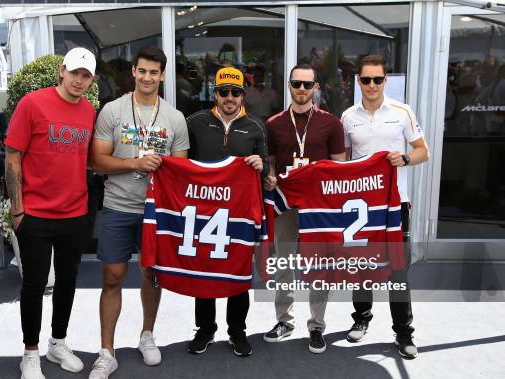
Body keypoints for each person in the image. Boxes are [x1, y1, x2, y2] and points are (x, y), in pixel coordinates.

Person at [89, 47, 189, 379]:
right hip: (118, 205)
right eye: (142, 71)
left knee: (151, 274)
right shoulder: (111, 111)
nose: (147, 77)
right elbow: (97, 162)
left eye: (154, 72)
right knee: (112, 277)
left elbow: (181, 170)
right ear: (133, 72)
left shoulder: (174, 118)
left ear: (162, 76)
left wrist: (164, 170)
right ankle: (107, 352)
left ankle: (147, 334)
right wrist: (135, 163)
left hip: (155, 211)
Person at [4, 47, 97, 379]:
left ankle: (57, 343)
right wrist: (17, 209)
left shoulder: (89, 111)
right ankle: (30, 353)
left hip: (75, 213)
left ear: (92, 81)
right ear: (62, 71)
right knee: (35, 284)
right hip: (36, 215)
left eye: (86, 76)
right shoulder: (33, 103)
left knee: (69, 282)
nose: (78, 80)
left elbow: (86, 159)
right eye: (74, 72)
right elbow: (13, 155)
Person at [341, 54, 430, 359]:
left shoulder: (402, 112)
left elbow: (423, 151)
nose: (371, 85)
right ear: (358, 81)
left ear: (385, 81)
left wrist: (404, 158)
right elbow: (345, 162)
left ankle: (404, 333)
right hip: (361, 208)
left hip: (395, 205)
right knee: (362, 266)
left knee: (398, 270)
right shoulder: (348, 116)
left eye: (377, 79)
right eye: (365, 79)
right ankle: (361, 319)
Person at [184, 66, 269, 357]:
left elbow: (266, 170)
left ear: (243, 94)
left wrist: (260, 166)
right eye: (224, 92)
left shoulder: (255, 127)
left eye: (235, 92)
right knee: (203, 270)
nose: (229, 98)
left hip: (238, 214)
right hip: (204, 210)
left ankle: (237, 331)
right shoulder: (195, 122)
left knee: (237, 273)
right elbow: (181, 163)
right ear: (215, 93)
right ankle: (205, 329)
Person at [262, 63, 346, 353]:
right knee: (284, 262)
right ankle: (284, 319)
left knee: (318, 265)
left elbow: (340, 167)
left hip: (318, 207)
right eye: (296, 84)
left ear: (316, 88)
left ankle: (317, 325)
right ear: (289, 86)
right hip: (286, 203)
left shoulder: (331, 123)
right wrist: (270, 175)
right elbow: (270, 161)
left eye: (307, 85)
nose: (301, 89)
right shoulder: (273, 123)